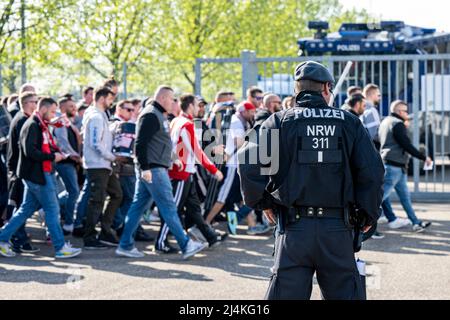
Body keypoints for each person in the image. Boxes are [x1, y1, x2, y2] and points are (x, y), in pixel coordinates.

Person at [239, 61, 384, 300]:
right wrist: (369, 213)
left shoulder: (278, 121)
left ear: (297, 90)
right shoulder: (348, 122)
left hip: (294, 231)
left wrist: (264, 203)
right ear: (327, 88)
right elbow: (372, 172)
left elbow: (248, 163)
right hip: (338, 230)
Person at [116, 86, 208, 259]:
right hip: (153, 169)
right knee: (168, 207)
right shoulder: (150, 114)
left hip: (154, 167)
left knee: (138, 208)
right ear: (164, 98)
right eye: (173, 99)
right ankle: (186, 244)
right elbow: (140, 144)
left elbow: (159, 142)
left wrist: (174, 158)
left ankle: (125, 245)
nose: (175, 103)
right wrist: (145, 168)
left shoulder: (158, 115)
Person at [0, 97, 82, 259]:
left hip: (38, 174)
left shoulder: (39, 124)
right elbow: (31, 152)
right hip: (38, 175)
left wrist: (55, 153)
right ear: (43, 109)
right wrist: (53, 156)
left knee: (25, 210)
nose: (53, 115)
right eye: (52, 111)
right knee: (52, 210)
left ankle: (2, 238)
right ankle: (60, 247)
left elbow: (37, 148)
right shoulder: (32, 125)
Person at [155, 94, 225, 253]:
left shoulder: (176, 121)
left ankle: (210, 237)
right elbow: (196, 151)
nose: (199, 108)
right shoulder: (186, 124)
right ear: (190, 106)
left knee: (193, 208)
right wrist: (214, 170)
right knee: (173, 210)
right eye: (196, 105)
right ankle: (161, 242)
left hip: (185, 171)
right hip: (181, 173)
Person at [379, 100, 432, 232]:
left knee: (403, 197)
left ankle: (416, 223)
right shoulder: (397, 124)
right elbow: (406, 145)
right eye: (405, 111)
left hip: (394, 165)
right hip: (394, 167)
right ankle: (364, 227)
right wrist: (424, 157)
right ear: (398, 112)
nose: (407, 114)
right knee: (378, 198)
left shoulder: (385, 121)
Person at [82, 86, 124, 249]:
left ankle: (105, 230)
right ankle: (90, 237)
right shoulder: (95, 117)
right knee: (97, 200)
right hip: (97, 164)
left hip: (104, 164)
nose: (112, 102)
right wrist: (114, 157)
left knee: (117, 195)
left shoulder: (99, 115)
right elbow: (95, 144)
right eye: (110, 99)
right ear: (102, 98)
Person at [5, 92, 40, 253]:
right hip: (20, 169)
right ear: (26, 103)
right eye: (35, 101)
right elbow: (25, 149)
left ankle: (16, 238)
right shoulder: (22, 120)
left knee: (23, 206)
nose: (37, 104)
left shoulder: (22, 118)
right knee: (20, 206)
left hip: (20, 169)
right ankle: (16, 239)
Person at [53, 97, 82, 235]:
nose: (74, 108)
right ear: (63, 107)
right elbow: (62, 140)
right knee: (74, 191)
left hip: (71, 160)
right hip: (65, 161)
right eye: (71, 106)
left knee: (72, 191)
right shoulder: (59, 120)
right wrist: (73, 155)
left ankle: (56, 207)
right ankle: (69, 222)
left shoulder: (68, 121)